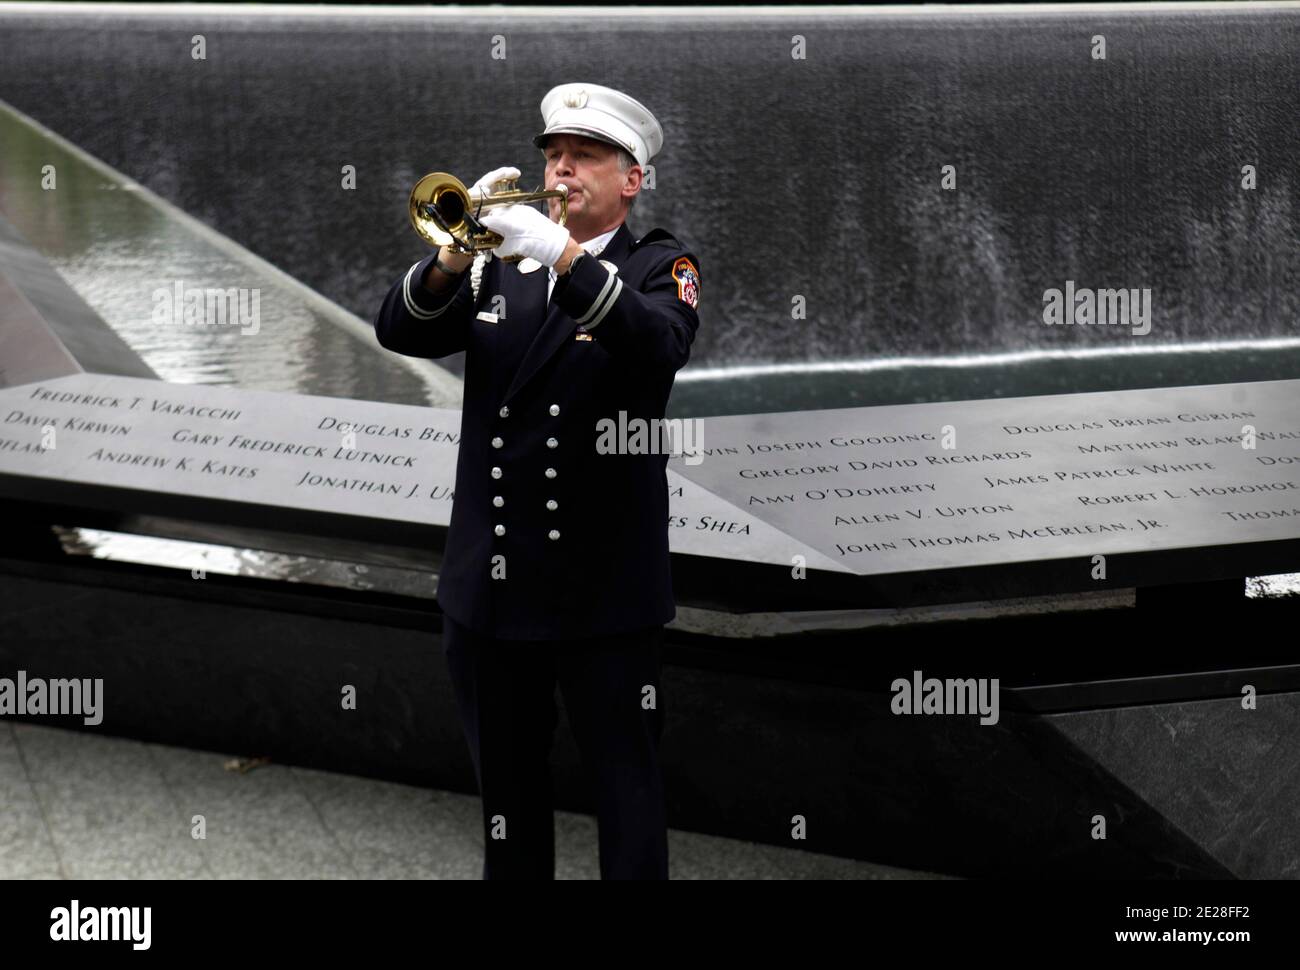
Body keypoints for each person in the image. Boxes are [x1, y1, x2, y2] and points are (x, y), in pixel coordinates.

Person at [372, 82, 702, 879]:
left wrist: (562, 256)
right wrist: (456, 252)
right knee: (508, 800)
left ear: (633, 179)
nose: (561, 170)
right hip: (491, 587)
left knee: (627, 791)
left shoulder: (660, 267)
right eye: (553, 154)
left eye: (585, 156)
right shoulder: (498, 266)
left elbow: (658, 347)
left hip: (604, 596)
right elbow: (398, 331)